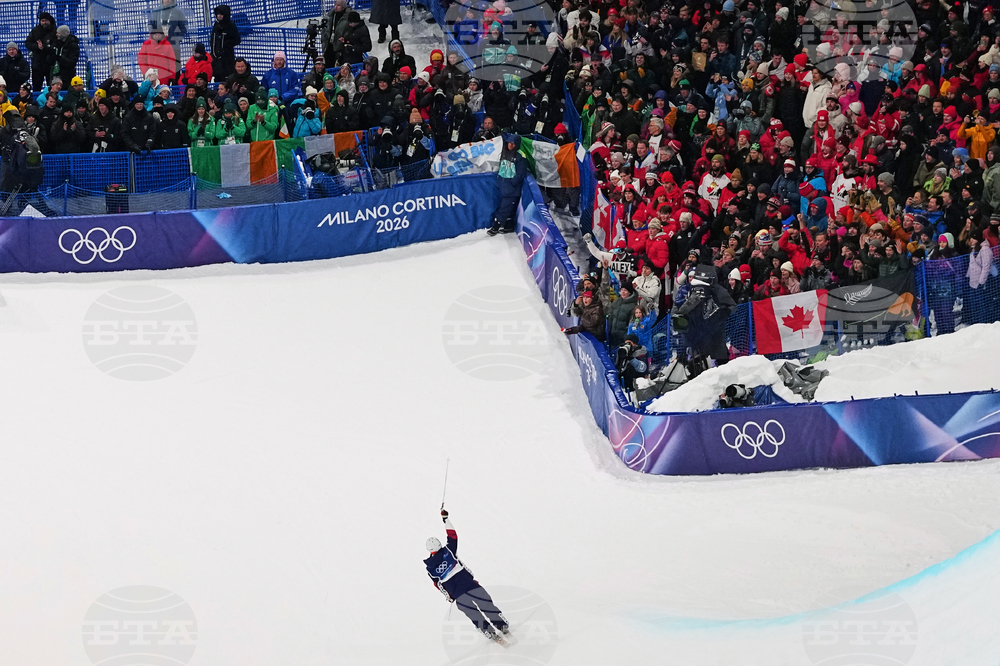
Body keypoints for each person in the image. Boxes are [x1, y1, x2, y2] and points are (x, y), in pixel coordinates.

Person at [425, 509, 513, 646]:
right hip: (469, 584)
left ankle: (488, 631)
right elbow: (453, 536)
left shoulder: (430, 568)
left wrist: (449, 597)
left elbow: (438, 585)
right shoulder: (448, 552)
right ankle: (502, 626)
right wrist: (446, 519)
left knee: (473, 614)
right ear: (439, 546)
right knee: (486, 603)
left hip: (457, 595)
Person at [487, 134, 527, 235]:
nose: (510, 145)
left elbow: (521, 173)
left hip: (512, 189)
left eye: (513, 143)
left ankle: (496, 226)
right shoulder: (504, 153)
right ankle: (508, 225)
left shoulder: (520, 156)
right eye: (509, 142)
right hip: (503, 186)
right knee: (506, 208)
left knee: (504, 208)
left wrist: (512, 183)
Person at [148, 0, 187, 76]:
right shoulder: (156, 11)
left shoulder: (178, 11)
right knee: (160, 67)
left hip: (174, 45)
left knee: (175, 67)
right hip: (159, 46)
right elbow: (151, 25)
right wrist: (155, 37)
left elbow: (183, 27)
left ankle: (175, 85)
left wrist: (177, 38)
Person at [25, 12, 56, 91]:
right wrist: (36, 46)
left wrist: (45, 47)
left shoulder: (54, 31)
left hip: (50, 64)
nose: (44, 22)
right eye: (42, 20)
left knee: (52, 87)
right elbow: (27, 43)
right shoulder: (35, 31)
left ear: (49, 21)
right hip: (37, 64)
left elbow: (57, 44)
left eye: (46, 20)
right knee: (36, 87)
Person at [209, 5, 240, 82]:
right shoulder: (216, 24)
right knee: (217, 78)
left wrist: (225, 45)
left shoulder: (230, 25)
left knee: (228, 79)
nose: (219, 16)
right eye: (218, 14)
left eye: (221, 14)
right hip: (216, 58)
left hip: (227, 58)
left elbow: (237, 40)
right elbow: (213, 39)